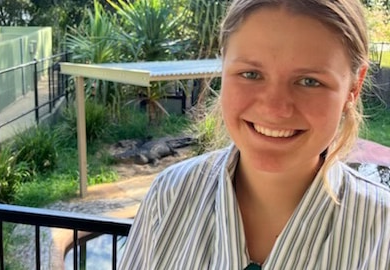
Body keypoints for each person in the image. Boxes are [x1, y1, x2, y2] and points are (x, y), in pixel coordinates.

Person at [118, 0, 390, 269]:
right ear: (223, 68)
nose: (275, 108)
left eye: (310, 81)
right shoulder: (169, 196)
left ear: (354, 87)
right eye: (250, 74)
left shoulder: (383, 230)